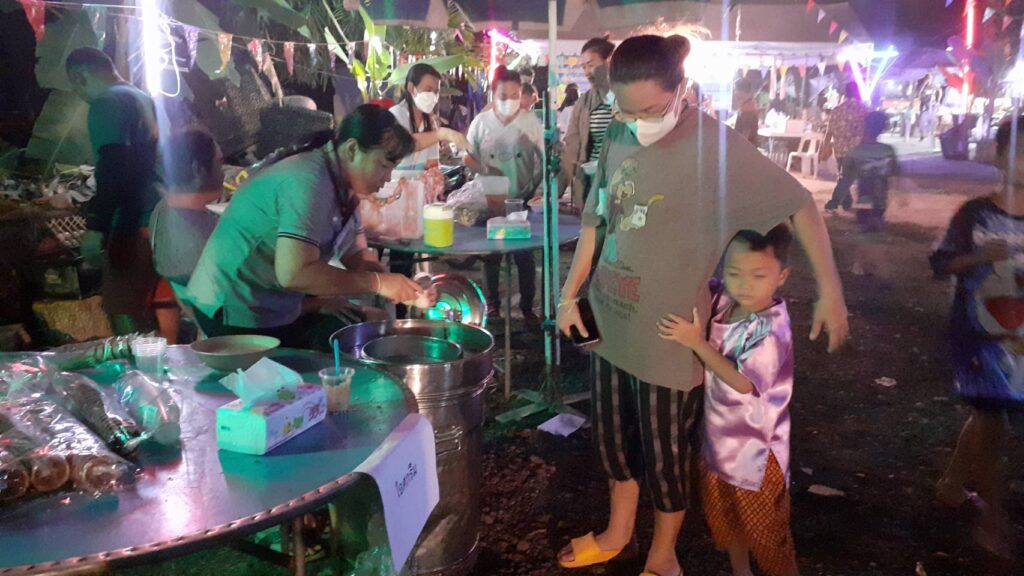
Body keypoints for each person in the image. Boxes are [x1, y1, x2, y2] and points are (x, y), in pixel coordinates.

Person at [556, 35, 848, 576]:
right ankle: (618, 531)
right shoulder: (617, 129)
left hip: (671, 338)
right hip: (609, 325)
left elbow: (800, 204)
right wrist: (569, 294)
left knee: (666, 455)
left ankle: (663, 555)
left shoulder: (715, 147)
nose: (636, 122)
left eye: (650, 110)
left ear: (682, 89)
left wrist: (831, 290)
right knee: (615, 444)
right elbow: (597, 219)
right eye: (625, 109)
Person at [185, 105, 425, 351]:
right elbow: (294, 273)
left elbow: (355, 254)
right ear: (352, 149)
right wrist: (377, 283)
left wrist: (401, 286)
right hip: (233, 308)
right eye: (384, 165)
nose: (387, 178)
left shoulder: (342, 185)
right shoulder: (308, 181)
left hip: (276, 303)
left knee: (370, 325)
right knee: (341, 350)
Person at [659, 226, 800, 576]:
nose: (744, 285)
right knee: (727, 521)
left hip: (756, 456)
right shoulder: (723, 300)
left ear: (782, 276)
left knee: (767, 535)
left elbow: (741, 382)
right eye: (734, 273)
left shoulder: (771, 330)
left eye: (758, 276)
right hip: (718, 445)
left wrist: (696, 342)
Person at [930, 116, 1024, 559]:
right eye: (1019, 152)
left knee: (992, 414)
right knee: (993, 419)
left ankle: (952, 484)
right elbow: (940, 262)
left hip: (1019, 340)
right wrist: (979, 257)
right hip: (979, 337)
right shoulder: (974, 214)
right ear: (999, 156)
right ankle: (992, 519)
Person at [66, 47, 162, 336]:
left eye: (74, 85)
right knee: (150, 309)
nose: (78, 93)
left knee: (124, 311)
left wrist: (97, 227)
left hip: (128, 225)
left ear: (80, 77)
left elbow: (113, 166)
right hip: (155, 218)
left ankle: (141, 364)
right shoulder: (141, 97)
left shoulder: (105, 103)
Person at [465, 67, 544, 325]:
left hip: (522, 197)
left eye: (514, 95)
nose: (509, 100)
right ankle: (492, 306)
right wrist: (485, 169)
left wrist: (539, 191)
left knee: (524, 254)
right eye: (503, 95)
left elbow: (544, 158)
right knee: (492, 253)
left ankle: (527, 307)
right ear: (493, 93)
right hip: (491, 199)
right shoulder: (481, 123)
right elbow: (467, 156)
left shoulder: (530, 122)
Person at [149, 128, 225, 343]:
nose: (223, 173)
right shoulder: (202, 234)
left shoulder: (161, 211)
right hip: (233, 333)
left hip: (207, 327)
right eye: (219, 164)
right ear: (198, 169)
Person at [559, 37, 616, 208]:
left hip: (624, 182)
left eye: (591, 65)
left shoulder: (628, 97)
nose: (586, 72)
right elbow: (572, 148)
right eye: (583, 67)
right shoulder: (584, 103)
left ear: (609, 61)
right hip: (593, 185)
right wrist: (553, 193)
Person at [389, 63, 470, 176]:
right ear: (411, 88)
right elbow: (404, 144)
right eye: (428, 90)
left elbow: (433, 165)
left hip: (418, 186)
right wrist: (442, 134)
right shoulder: (396, 114)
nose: (433, 96)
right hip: (393, 184)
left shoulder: (430, 122)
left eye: (436, 92)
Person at [845, 111, 898, 276]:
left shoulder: (857, 151)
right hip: (880, 197)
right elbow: (894, 174)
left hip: (864, 197)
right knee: (874, 229)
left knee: (866, 229)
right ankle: (872, 265)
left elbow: (847, 176)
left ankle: (861, 263)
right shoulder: (888, 151)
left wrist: (846, 196)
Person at [823, 82, 868, 211]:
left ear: (845, 93)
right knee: (847, 178)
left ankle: (847, 202)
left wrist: (825, 147)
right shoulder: (862, 109)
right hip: (855, 150)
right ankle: (833, 202)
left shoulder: (837, 110)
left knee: (844, 177)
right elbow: (867, 131)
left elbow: (829, 131)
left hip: (839, 150)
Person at [733, 79, 760, 146]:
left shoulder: (748, 110)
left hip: (746, 148)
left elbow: (745, 136)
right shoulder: (749, 105)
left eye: (735, 90)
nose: (734, 93)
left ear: (742, 91)